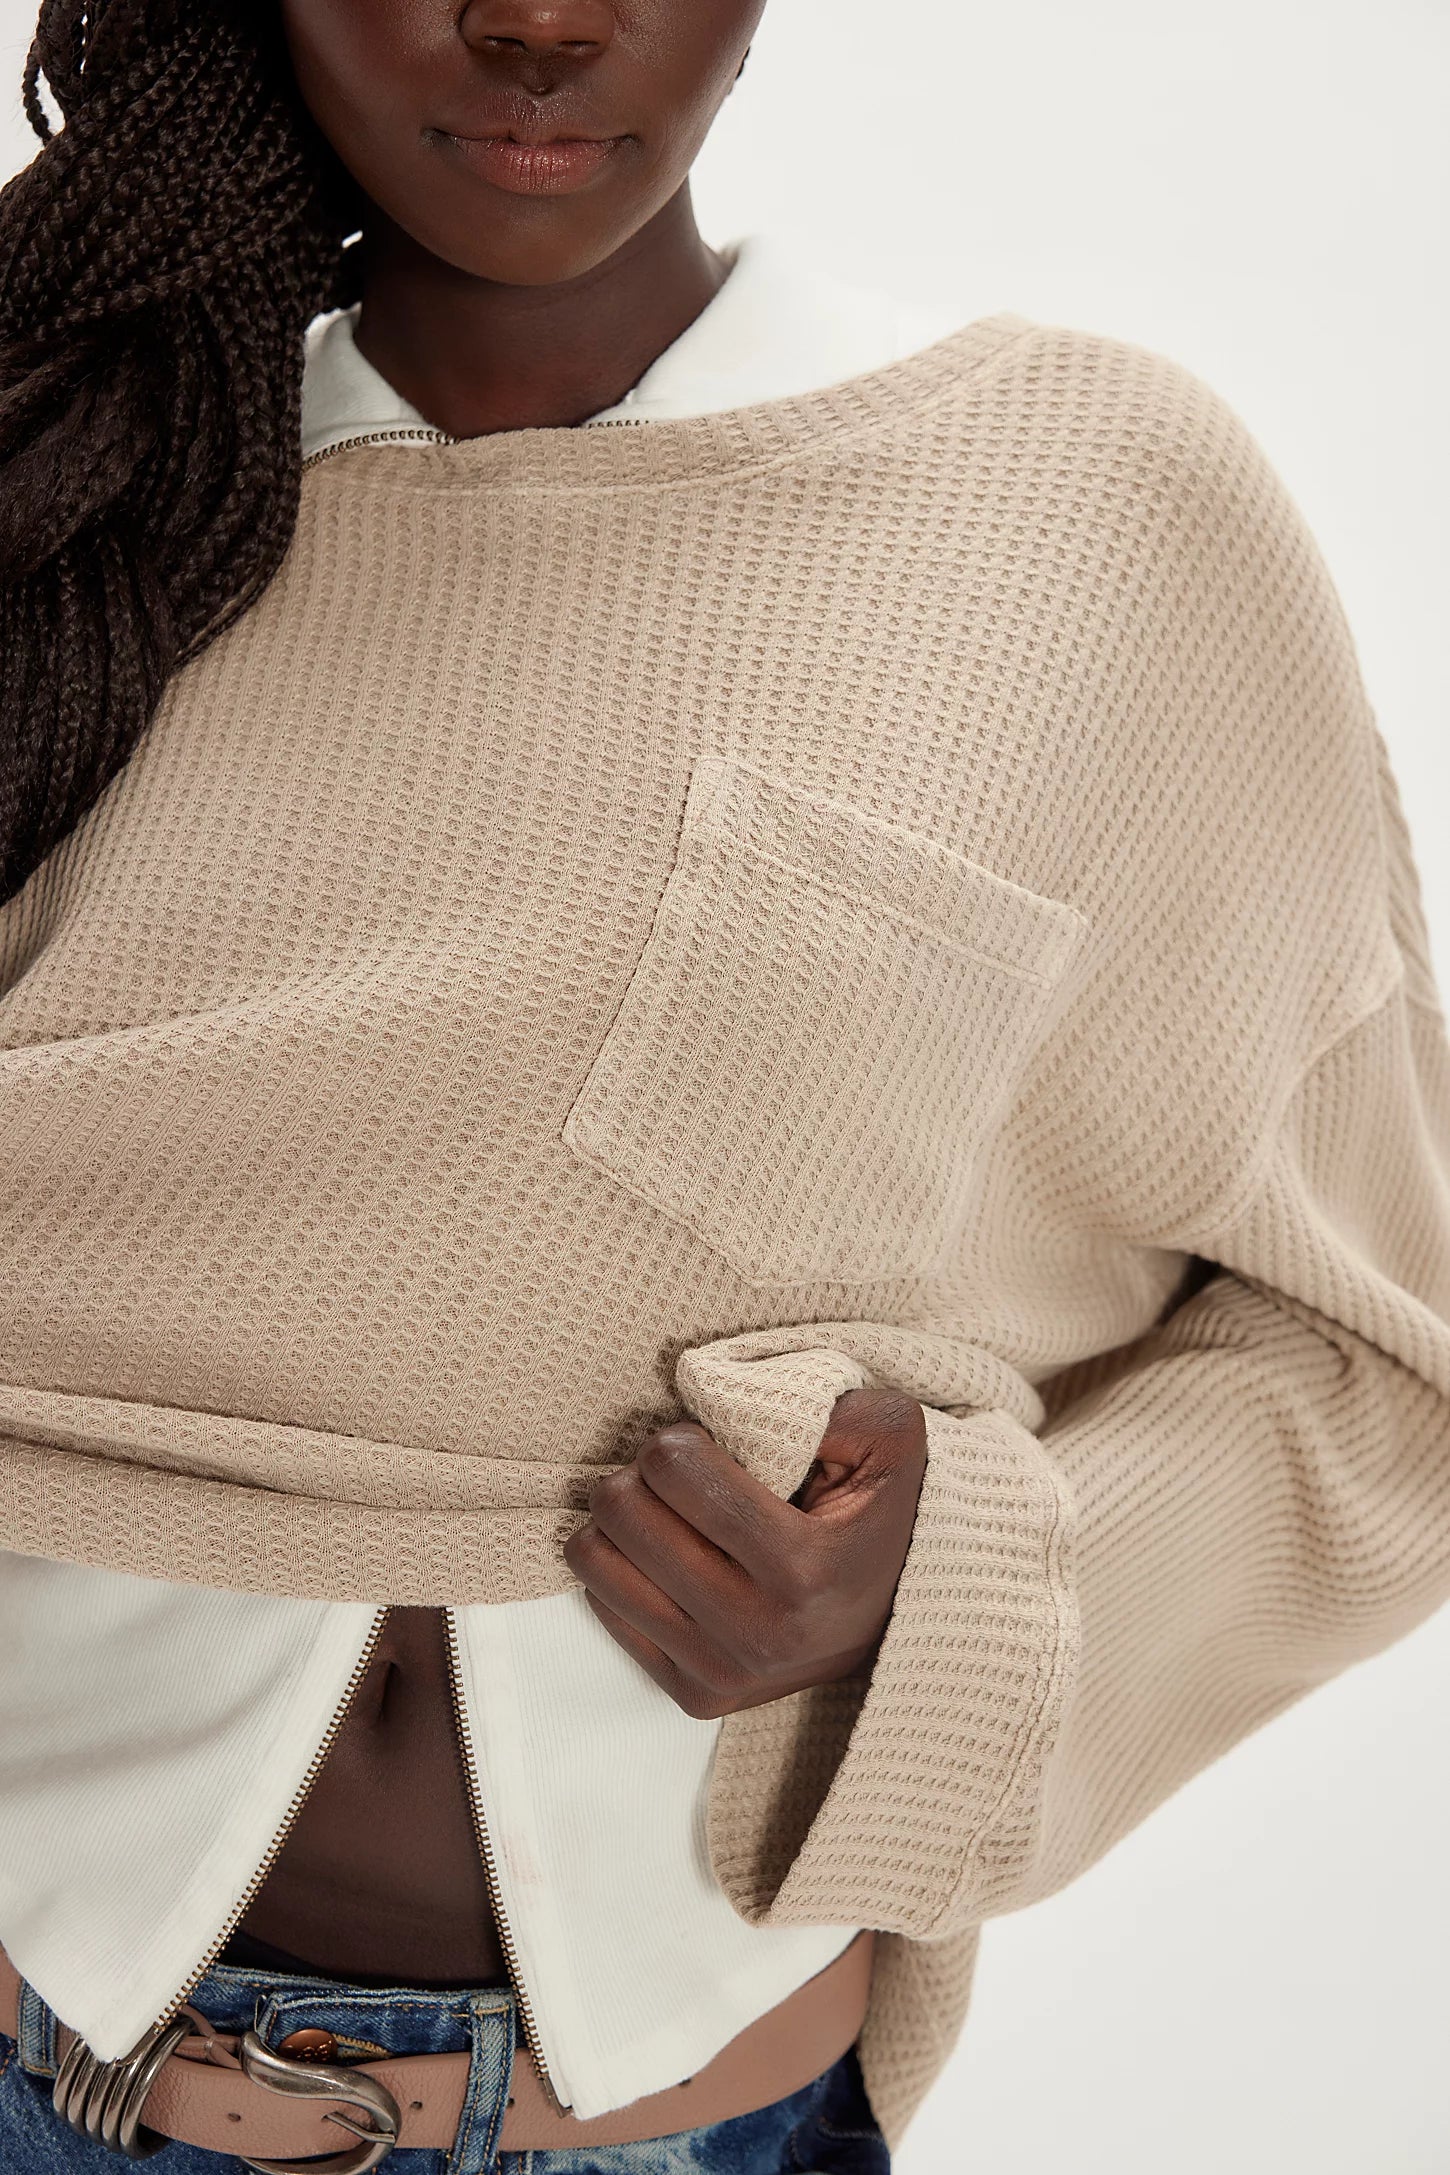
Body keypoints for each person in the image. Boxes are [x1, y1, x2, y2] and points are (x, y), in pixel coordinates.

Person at [1, 1, 1447, 2171]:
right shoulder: (82, 515)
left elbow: (1385, 1340)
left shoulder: (1078, 516)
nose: (537, 19)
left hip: (689, 2112)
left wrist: (947, 1587)